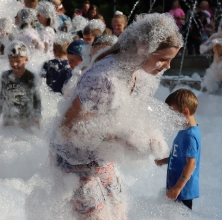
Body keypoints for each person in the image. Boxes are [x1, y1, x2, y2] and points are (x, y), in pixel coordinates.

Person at [50, 13, 183, 219]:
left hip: (99, 155)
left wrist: (149, 136)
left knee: (119, 213)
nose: (167, 66)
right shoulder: (103, 78)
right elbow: (67, 128)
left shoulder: (137, 73)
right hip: (74, 159)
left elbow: (129, 115)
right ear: (143, 49)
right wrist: (120, 138)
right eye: (163, 59)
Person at [155, 88, 201, 210]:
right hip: (177, 187)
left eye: (171, 114)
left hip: (183, 192)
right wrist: (163, 161)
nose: (169, 118)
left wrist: (178, 187)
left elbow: (191, 164)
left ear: (185, 112)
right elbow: (179, 156)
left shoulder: (189, 136)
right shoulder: (184, 131)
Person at [0, 41, 41, 129]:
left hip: (25, 120)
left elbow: (36, 99)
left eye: (18, 61)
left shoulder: (30, 77)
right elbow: (2, 97)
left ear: (26, 59)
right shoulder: (5, 76)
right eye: (11, 60)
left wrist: (37, 119)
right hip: (9, 118)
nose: (14, 64)